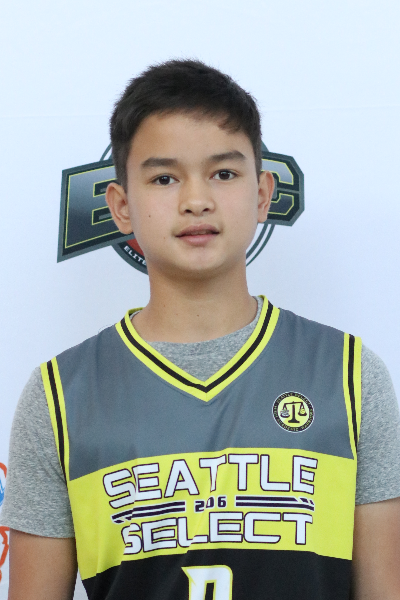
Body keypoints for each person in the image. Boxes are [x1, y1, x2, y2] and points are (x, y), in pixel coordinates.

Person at [2, 59, 400, 600]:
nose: (196, 200)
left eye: (224, 174)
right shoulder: (60, 396)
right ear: (121, 206)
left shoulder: (350, 377)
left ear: (263, 193)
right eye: (164, 178)